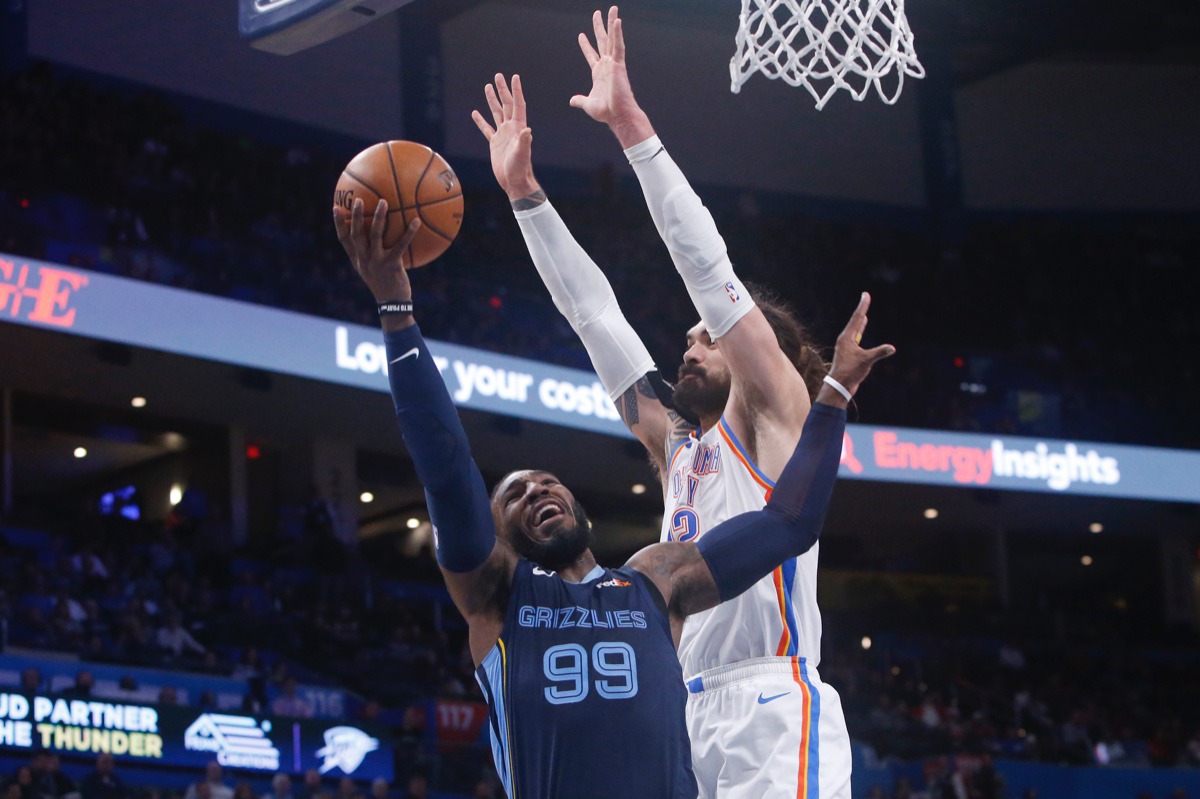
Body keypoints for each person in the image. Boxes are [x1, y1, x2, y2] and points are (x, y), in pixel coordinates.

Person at [333, 199, 893, 797]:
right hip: (694, 710)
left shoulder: (653, 579)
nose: (537, 489)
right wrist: (397, 312)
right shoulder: (499, 595)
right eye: (513, 495)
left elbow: (788, 520)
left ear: (584, 509)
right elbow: (446, 466)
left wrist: (832, 399)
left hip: (761, 701)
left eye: (546, 481)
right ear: (494, 537)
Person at [470, 9, 854, 795]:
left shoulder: (775, 410)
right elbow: (594, 318)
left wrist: (632, 129)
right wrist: (526, 197)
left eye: (706, 338)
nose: (689, 344)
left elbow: (707, 268)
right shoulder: (681, 445)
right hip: (679, 704)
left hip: (772, 701)